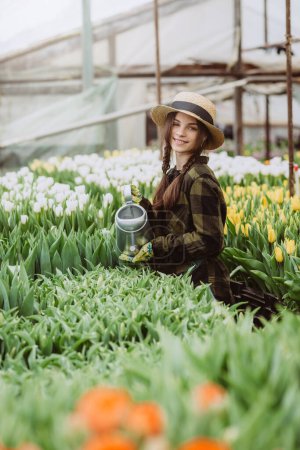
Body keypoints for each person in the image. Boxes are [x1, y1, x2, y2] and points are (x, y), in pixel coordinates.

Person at [121, 91, 233, 304]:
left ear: (204, 137)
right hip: (182, 281)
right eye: (177, 124)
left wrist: (158, 247)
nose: (181, 133)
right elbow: (174, 225)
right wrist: (143, 206)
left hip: (203, 287)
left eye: (191, 128)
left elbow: (209, 240)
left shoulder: (199, 178)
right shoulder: (176, 174)